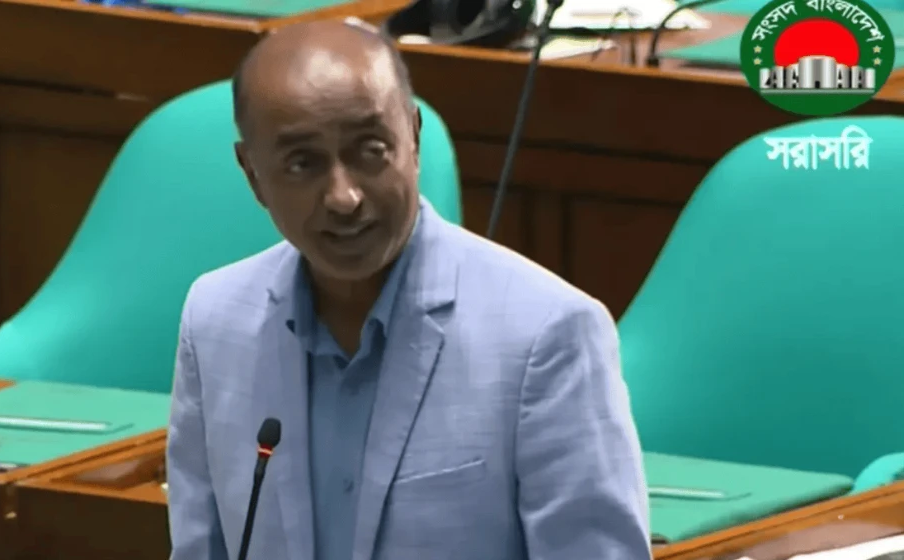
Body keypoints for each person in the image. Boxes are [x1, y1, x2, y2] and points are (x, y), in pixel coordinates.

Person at [166, 19, 651, 560]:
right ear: (253, 174)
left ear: (413, 139)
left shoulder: (545, 334)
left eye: (370, 150)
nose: (344, 197)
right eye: (303, 164)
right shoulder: (216, 321)